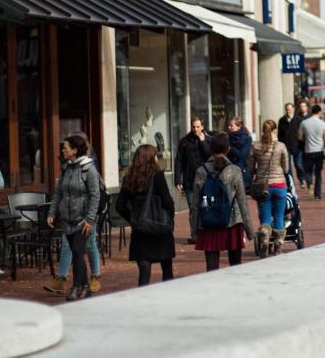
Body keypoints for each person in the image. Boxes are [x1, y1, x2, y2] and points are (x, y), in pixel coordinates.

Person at [44, 132, 103, 297]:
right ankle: (84, 287)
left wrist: (90, 219)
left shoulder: (89, 169)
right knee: (77, 253)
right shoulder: (66, 168)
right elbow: (58, 193)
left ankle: (76, 287)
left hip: (83, 220)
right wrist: (52, 212)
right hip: (67, 220)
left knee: (77, 251)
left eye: (65, 148)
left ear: (75, 150)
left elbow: (95, 195)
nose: (63, 150)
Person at [115, 144, 175, 287]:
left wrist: (134, 219)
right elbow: (168, 201)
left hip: (140, 231)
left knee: (144, 270)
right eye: (155, 155)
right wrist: (169, 218)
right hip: (159, 227)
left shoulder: (129, 178)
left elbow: (119, 206)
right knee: (166, 269)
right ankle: (170, 300)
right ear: (150, 158)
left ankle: (143, 300)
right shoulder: (158, 176)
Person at [193, 132, 252, 271]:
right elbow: (242, 201)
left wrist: (194, 230)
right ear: (228, 149)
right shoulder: (234, 170)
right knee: (235, 267)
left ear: (211, 150)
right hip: (232, 221)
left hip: (208, 222)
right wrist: (249, 229)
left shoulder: (201, 171)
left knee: (212, 269)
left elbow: (195, 204)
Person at [250, 119, 289, 255]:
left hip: (263, 186)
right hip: (279, 185)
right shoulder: (281, 146)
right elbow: (286, 167)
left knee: (265, 218)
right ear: (274, 131)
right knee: (279, 216)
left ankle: (265, 239)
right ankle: (278, 245)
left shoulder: (255, 146)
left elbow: (251, 167)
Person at [174, 117, 210, 244]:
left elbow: (209, 156)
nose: (196, 129)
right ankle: (195, 235)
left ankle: (205, 233)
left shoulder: (208, 139)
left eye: (198, 126)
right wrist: (178, 179)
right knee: (193, 209)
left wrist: (203, 142)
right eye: (194, 127)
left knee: (205, 207)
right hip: (189, 181)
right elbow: (178, 161)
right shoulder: (184, 141)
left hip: (206, 181)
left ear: (202, 126)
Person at [298, 105, 325, 199]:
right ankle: (318, 194)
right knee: (318, 173)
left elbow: (299, 137)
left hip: (308, 150)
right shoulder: (323, 124)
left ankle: (310, 184)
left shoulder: (304, 123)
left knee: (308, 171)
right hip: (319, 150)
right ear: (319, 112)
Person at [285, 100, 311, 190]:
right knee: (288, 167)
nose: (288, 111)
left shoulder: (299, 120)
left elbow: (302, 133)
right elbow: (280, 134)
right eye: (287, 109)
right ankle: (290, 183)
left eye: (290, 109)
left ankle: (301, 179)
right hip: (286, 146)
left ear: (293, 109)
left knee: (298, 164)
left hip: (297, 146)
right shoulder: (282, 120)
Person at [226, 117, 254, 190]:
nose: (229, 127)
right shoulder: (228, 138)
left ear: (239, 126)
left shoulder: (247, 138)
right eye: (229, 125)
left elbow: (242, 155)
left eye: (231, 125)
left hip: (242, 172)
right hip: (229, 171)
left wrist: (231, 148)